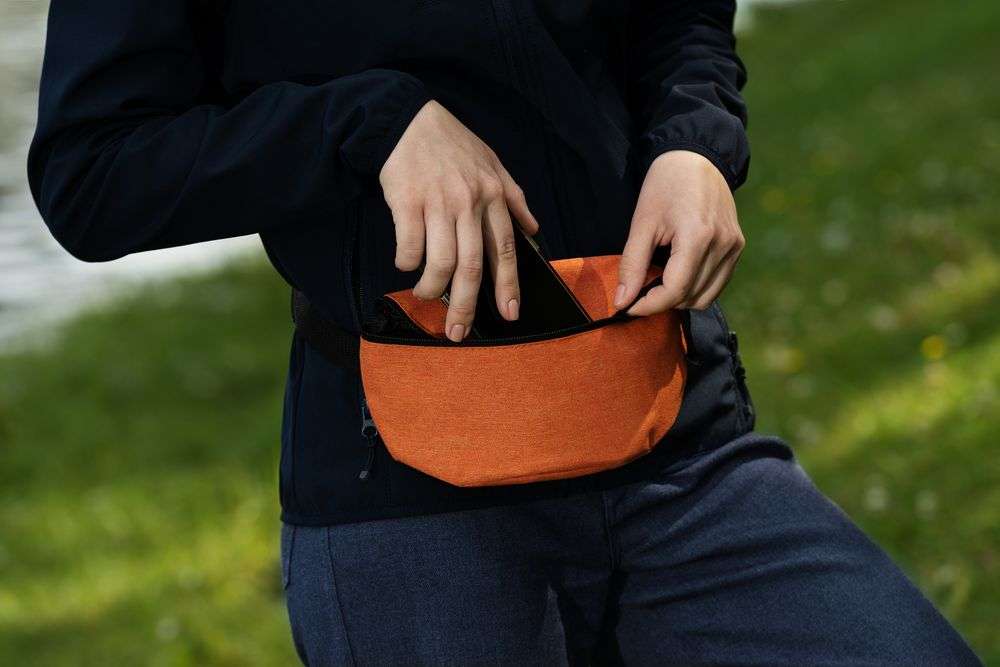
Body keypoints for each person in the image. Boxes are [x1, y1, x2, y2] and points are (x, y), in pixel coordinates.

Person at [28, 1, 981, 664]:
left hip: (677, 445)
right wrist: (369, 122)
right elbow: (94, 171)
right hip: (407, 501)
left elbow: (676, 16)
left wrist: (695, 140)